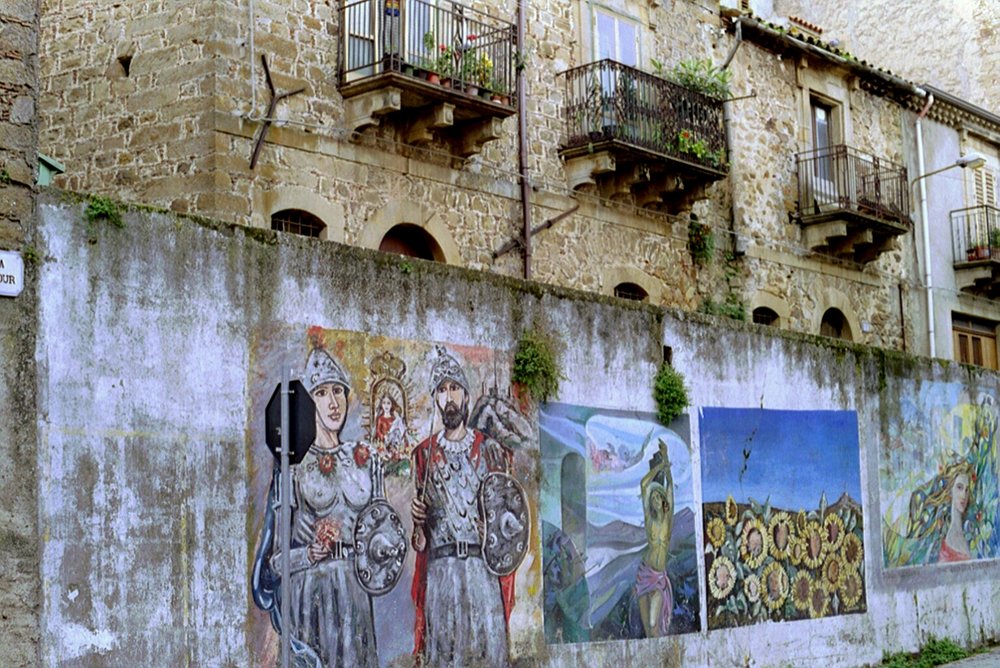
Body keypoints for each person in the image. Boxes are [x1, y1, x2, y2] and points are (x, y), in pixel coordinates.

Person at [252, 347, 378, 667]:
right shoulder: (292, 465)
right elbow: (275, 563)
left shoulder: (365, 461)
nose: (333, 402)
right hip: (311, 597)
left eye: (338, 391)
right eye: (321, 393)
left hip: (355, 594)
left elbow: (382, 533)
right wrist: (309, 554)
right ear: (309, 401)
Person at [410, 346, 515, 666]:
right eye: (442, 390)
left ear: (466, 395)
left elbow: (508, 522)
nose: (449, 397)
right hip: (442, 574)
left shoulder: (491, 450)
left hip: (480, 572)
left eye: (454, 388)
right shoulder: (423, 454)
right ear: (436, 399)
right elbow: (420, 543)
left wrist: (491, 531)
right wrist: (418, 522)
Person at [635, 439, 674, 637]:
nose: (655, 500)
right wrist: (658, 467)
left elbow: (670, 486)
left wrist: (665, 459)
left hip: (658, 577)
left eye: (658, 496)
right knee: (648, 631)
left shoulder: (668, 519)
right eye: (653, 498)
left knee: (653, 623)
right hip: (645, 574)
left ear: (663, 499)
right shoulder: (649, 520)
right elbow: (643, 484)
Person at [906, 458, 976, 564]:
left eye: (967, 490)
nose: (964, 495)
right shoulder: (941, 539)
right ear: (950, 491)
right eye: (959, 487)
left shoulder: (971, 535)